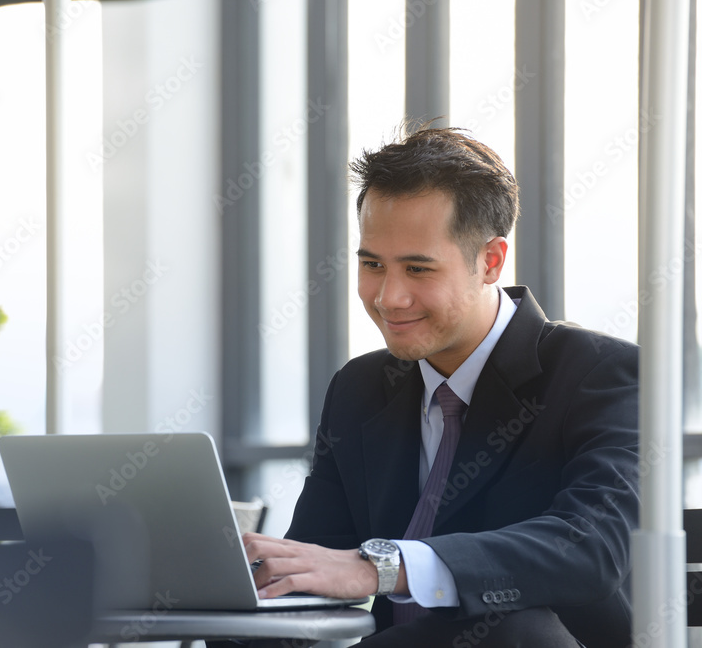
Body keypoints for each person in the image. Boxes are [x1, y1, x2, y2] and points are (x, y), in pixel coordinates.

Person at [241, 125, 639, 647]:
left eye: (417, 268)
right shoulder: (359, 389)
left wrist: (381, 568)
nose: (388, 297)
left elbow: (592, 546)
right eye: (372, 264)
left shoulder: (600, 375)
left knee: (512, 628)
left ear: (490, 261)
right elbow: (312, 567)